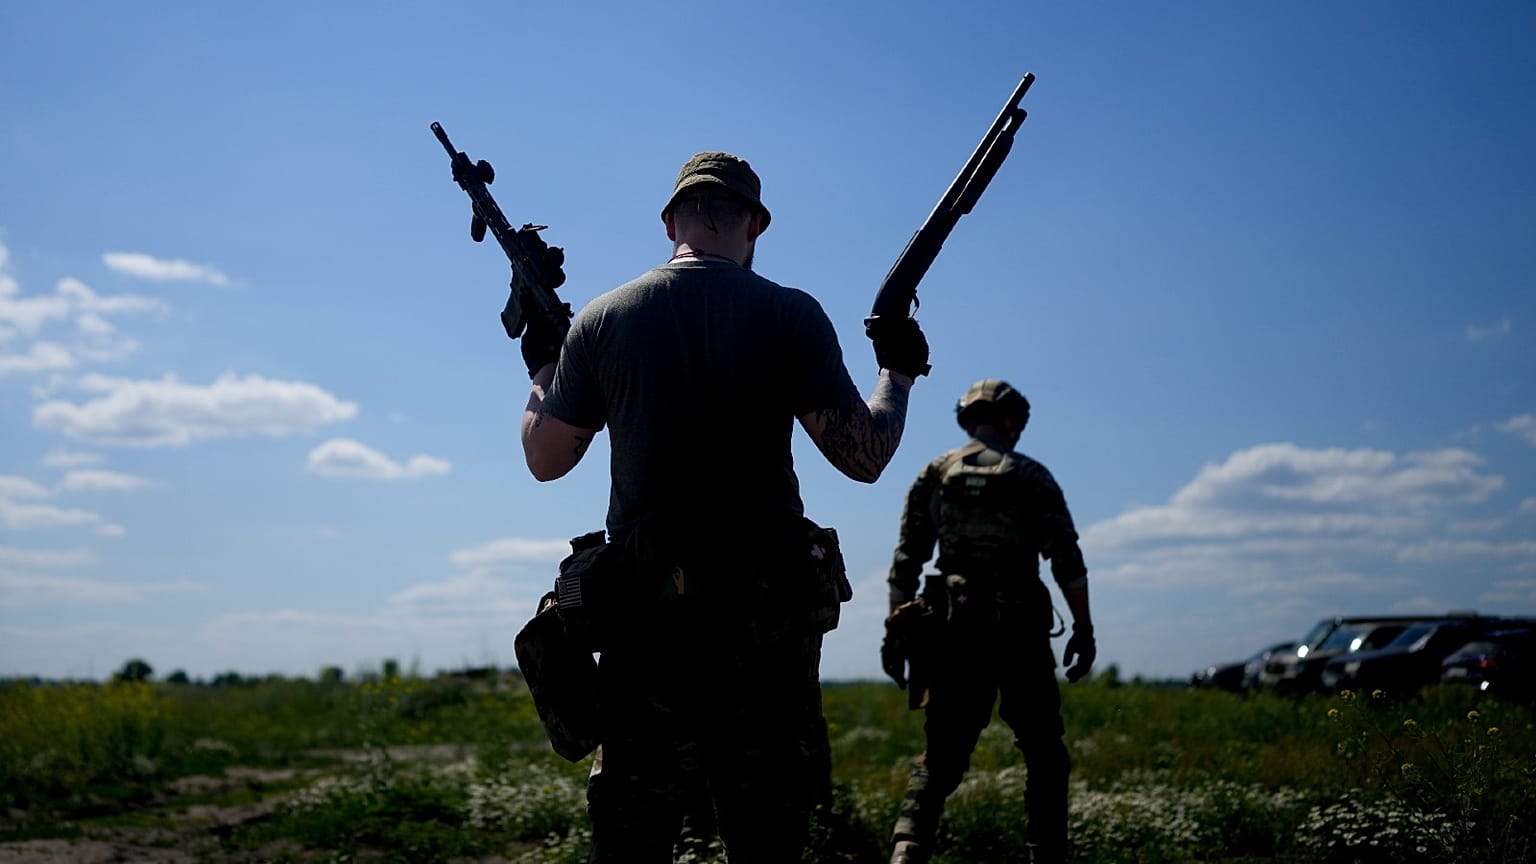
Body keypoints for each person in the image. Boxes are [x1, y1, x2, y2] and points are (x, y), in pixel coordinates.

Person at [520, 151, 929, 864]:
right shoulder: (789, 313)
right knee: (767, 839)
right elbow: (863, 457)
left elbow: (545, 458)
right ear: (756, 226)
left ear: (669, 221)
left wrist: (542, 372)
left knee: (631, 844)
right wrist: (896, 373)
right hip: (764, 628)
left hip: (646, 625)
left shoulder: (601, 319)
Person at [880, 379, 1095, 864]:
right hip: (1020, 629)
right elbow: (1068, 561)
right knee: (1044, 753)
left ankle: (907, 850)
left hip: (954, 627)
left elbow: (906, 562)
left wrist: (895, 632)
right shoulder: (1032, 476)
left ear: (967, 418)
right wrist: (1084, 629)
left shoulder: (936, 473)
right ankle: (1047, 854)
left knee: (940, 760)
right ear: (1012, 421)